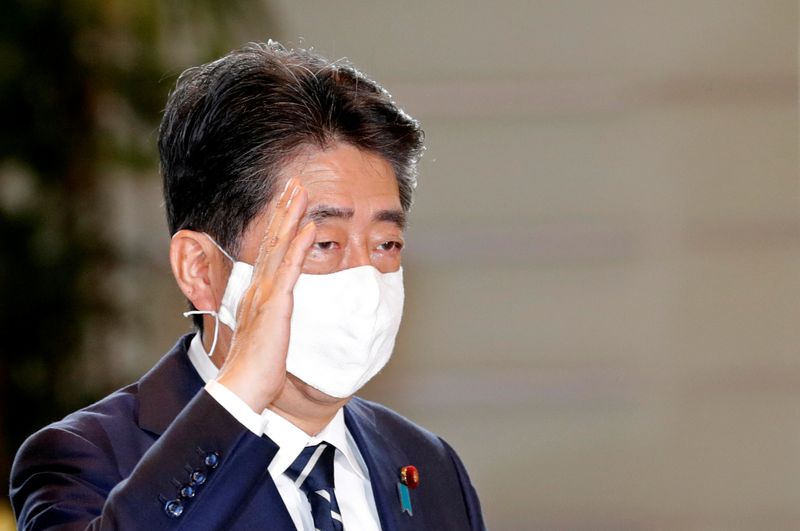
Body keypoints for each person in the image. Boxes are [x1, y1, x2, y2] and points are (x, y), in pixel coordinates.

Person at [10, 41, 486, 530]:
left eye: (386, 244)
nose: (365, 279)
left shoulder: (427, 465)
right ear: (199, 268)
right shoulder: (88, 459)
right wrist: (241, 396)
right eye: (322, 243)